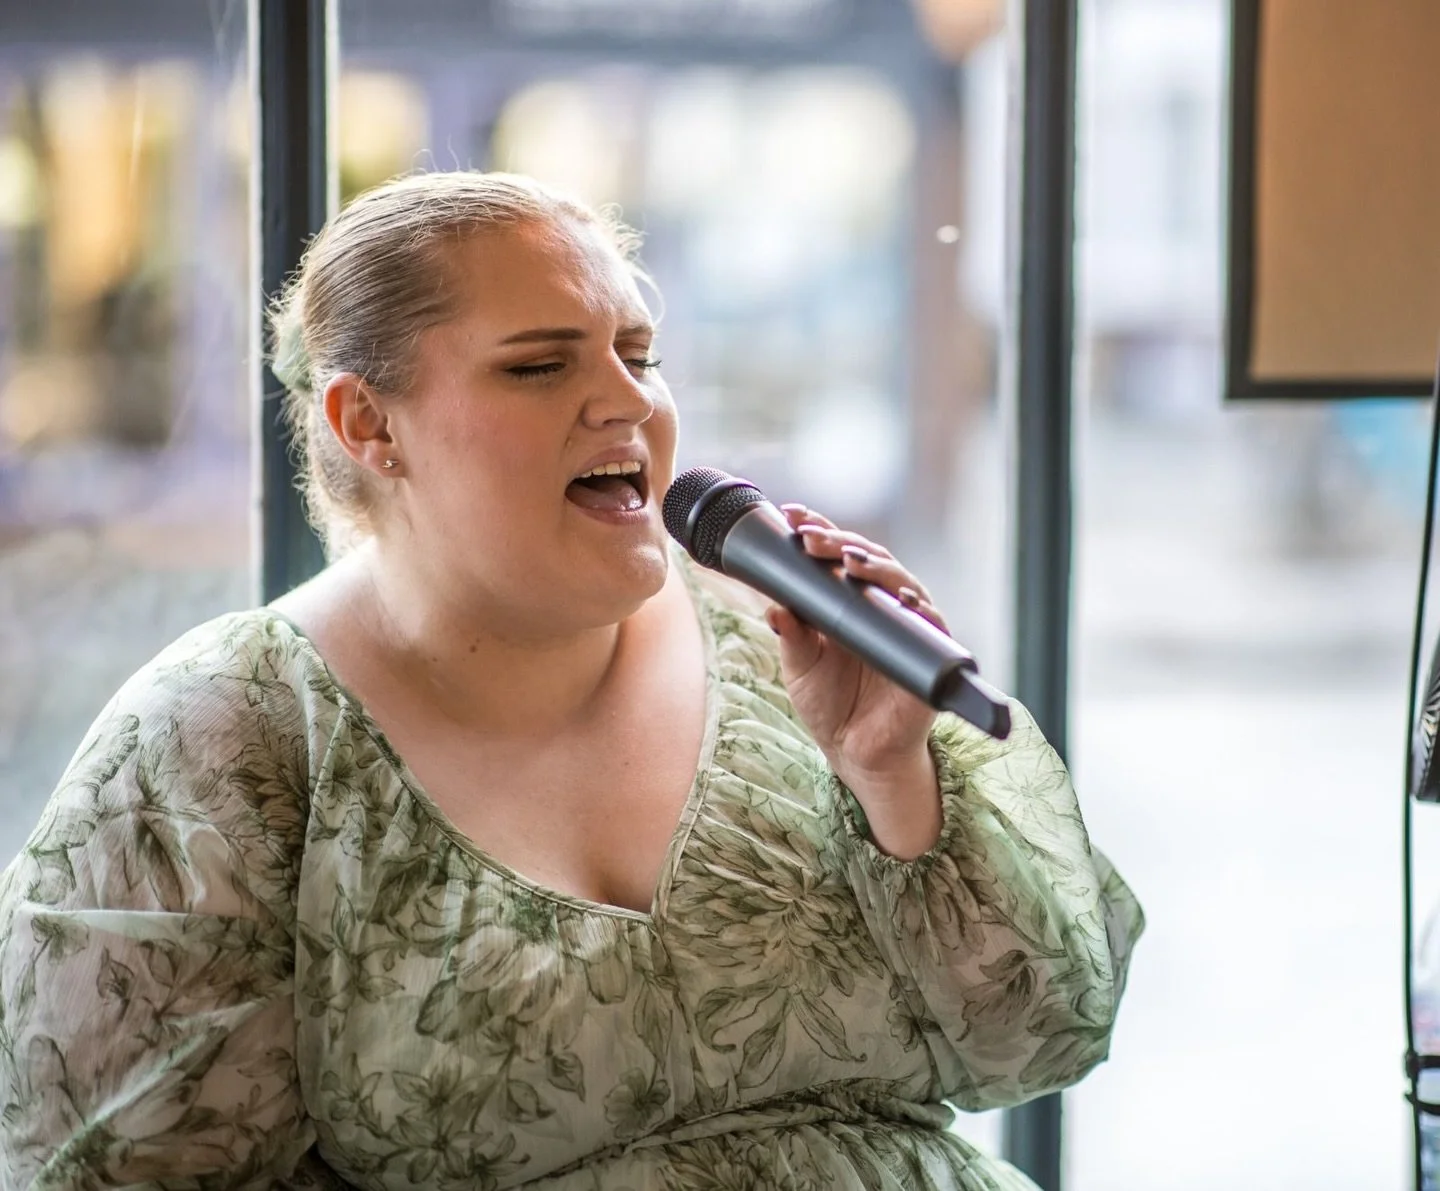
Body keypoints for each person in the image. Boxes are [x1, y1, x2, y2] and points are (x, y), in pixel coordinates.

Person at [0, 170, 1143, 1191]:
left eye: (638, 354)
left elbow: (1038, 1040)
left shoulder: (789, 644)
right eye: (541, 364)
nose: (629, 402)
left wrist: (893, 777)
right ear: (369, 424)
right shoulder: (226, 734)